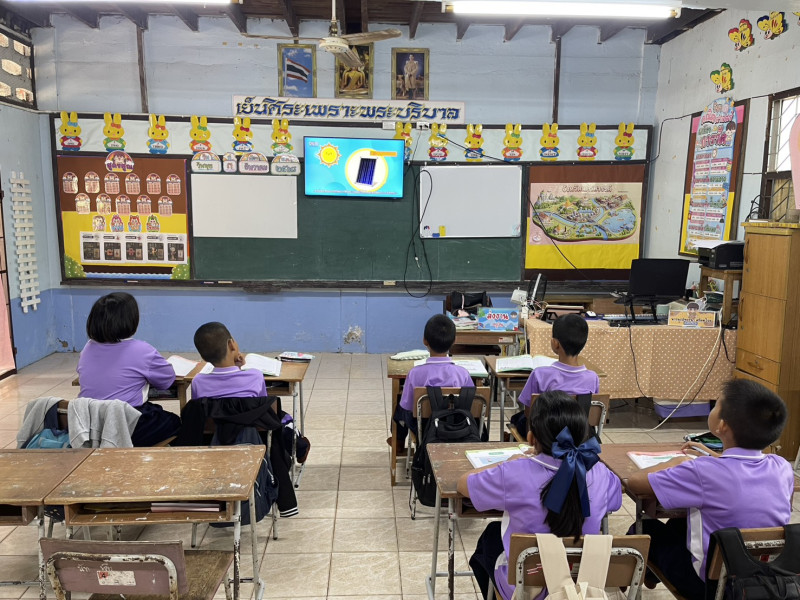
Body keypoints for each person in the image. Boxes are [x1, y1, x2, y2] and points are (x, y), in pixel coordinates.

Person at [627, 379, 794, 598]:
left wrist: (676, 462)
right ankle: (651, 575)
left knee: (645, 529)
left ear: (722, 426)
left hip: (712, 589)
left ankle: (635, 580)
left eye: (716, 404)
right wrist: (712, 455)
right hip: (765, 582)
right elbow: (738, 472)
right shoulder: (782, 467)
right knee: (680, 524)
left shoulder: (701, 471)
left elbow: (634, 482)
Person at [459, 391, 622, 600]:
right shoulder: (600, 472)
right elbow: (614, 501)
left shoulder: (513, 472)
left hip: (529, 588)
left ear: (531, 437)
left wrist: (506, 463)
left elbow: (464, 484)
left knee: (490, 538)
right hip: (583, 585)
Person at [77, 292, 180, 447]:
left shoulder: (88, 348)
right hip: (127, 424)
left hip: (90, 425)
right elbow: (166, 381)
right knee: (174, 421)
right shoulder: (142, 350)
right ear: (131, 321)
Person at [389, 314, 474, 456]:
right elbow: (472, 403)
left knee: (400, 406)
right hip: (457, 427)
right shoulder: (463, 373)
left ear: (425, 341)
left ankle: (398, 440)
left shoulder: (415, 374)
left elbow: (407, 407)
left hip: (424, 429)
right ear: (454, 341)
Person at [511, 314, 599, 437]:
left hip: (546, 436)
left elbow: (529, 413)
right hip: (578, 435)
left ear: (555, 343)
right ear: (583, 343)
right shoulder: (593, 377)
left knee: (517, 419)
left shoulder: (539, 374)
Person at [191, 321, 267, 399]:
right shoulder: (255, 376)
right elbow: (262, 404)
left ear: (203, 358)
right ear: (231, 344)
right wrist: (239, 369)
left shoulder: (198, 382)